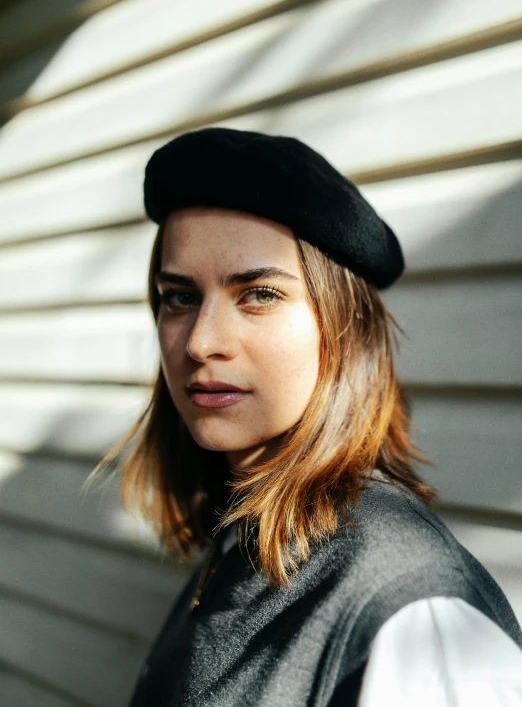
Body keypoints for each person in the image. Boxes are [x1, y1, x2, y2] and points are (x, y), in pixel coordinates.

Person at [93, 127, 522, 706]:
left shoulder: (414, 609)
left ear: (343, 328)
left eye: (259, 294)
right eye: (180, 297)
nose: (201, 342)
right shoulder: (243, 533)